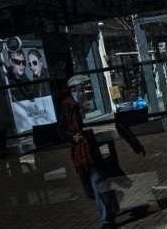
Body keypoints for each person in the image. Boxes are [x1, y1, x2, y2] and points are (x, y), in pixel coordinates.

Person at [58, 75, 119, 228]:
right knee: (97, 181)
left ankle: (109, 214)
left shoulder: (78, 106)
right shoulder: (69, 107)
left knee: (99, 179)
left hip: (90, 147)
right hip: (83, 151)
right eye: (80, 89)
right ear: (73, 90)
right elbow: (61, 129)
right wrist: (73, 137)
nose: (83, 92)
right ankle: (108, 216)